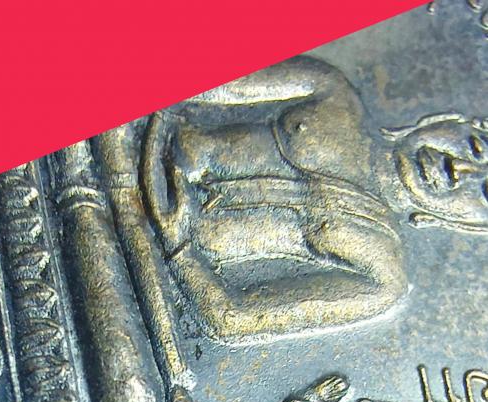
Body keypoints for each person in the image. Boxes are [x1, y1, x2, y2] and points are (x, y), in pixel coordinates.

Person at [141, 55, 407, 341]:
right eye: (462, 139)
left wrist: (178, 249)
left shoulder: (385, 280)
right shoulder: (336, 93)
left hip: (142, 256)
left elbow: (232, 320)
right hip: (146, 128)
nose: (446, 165)